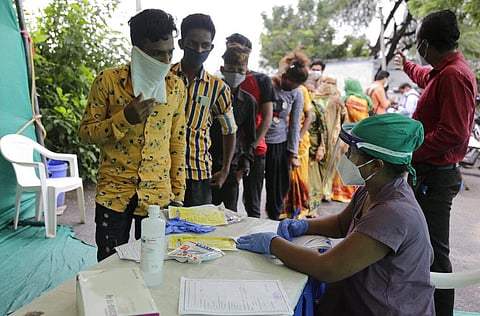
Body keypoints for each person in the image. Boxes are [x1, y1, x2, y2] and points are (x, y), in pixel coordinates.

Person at [237, 113, 435, 315]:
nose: (347, 157)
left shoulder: (393, 213)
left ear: (376, 165)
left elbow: (328, 268)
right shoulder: (371, 190)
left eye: (353, 153)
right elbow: (342, 223)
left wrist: (273, 244)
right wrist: (303, 225)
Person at [78, 9, 186, 261]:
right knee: (109, 264)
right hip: (114, 193)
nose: (166, 60)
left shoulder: (175, 86)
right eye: (157, 53)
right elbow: (85, 133)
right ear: (137, 49)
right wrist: (124, 119)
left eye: (170, 51)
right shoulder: (109, 81)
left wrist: (178, 195)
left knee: (153, 262)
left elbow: (177, 142)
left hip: (158, 196)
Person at [395, 9, 477, 316]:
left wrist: (407, 152)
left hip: (436, 176)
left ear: (426, 44)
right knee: (420, 246)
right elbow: (423, 76)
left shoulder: (454, 76)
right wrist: (405, 65)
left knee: (435, 253)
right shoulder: (444, 70)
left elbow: (453, 135)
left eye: (418, 46)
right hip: (428, 173)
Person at [171, 14, 237, 207]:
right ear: (182, 43)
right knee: (159, 232)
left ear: (211, 47)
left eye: (205, 45)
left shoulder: (218, 88)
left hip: (198, 174)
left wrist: (225, 169)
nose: (199, 50)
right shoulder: (164, 78)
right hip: (162, 173)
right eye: (192, 44)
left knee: (197, 233)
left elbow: (229, 130)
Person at [225, 33, 274, 218]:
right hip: (230, 152)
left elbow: (267, 117)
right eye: (230, 47)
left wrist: (250, 149)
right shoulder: (219, 84)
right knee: (229, 201)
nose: (235, 51)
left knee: (253, 202)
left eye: (239, 48)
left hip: (255, 149)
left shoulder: (261, 80)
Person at [210, 45, 256, 211]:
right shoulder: (211, 93)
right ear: (223, 68)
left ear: (246, 71)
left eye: (240, 70)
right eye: (231, 69)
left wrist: (244, 167)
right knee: (202, 213)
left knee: (229, 214)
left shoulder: (248, 101)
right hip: (206, 161)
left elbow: (250, 137)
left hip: (232, 166)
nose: (235, 74)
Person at [264, 49, 309, 220]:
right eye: (293, 82)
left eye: (297, 85)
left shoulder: (297, 93)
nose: (293, 87)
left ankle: (274, 217)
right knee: (254, 185)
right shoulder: (268, 83)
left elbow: (295, 123)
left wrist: (292, 152)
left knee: (278, 185)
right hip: (261, 142)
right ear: (285, 76)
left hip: (279, 144)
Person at [330, 78, 373, 203]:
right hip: (363, 135)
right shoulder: (366, 100)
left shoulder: (348, 100)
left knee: (345, 163)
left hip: (348, 135)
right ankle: (354, 191)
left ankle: (341, 193)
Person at [308, 74, 345, 210]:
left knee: (331, 165)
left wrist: (342, 108)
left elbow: (342, 118)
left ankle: (326, 191)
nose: (328, 85)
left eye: (331, 82)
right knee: (317, 168)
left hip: (334, 138)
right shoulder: (316, 98)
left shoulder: (337, 98)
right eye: (325, 82)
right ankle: (316, 193)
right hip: (319, 138)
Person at [281, 84, 313, 219]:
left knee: (299, 175)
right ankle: (282, 210)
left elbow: (309, 116)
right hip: (281, 137)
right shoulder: (280, 88)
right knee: (282, 176)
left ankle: (298, 210)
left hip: (300, 141)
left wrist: (299, 136)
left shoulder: (302, 90)